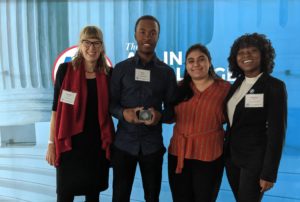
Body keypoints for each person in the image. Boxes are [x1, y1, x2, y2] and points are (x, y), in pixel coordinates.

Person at [109, 15, 177, 202]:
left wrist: (159, 116)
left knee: (152, 198)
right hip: (123, 146)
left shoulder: (167, 72)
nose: (147, 36)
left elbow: (172, 110)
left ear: (158, 36)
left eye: (152, 32)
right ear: (135, 35)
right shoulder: (121, 69)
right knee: (119, 198)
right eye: (143, 32)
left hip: (152, 147)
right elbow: (110, 104)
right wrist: (124, 113)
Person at [45, 25, 114, 202]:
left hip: (96, 146)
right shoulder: (65, 71)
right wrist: (51, 143)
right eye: (87, 42)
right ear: (80, 44)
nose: (92, 47)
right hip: (69, 144)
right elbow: (55, 111)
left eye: (96, 42)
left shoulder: (108, 74)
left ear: (102, 46)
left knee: (93, 196)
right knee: (65, 196)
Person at [224, 33, 287, 202]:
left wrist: (269, 173)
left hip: (255, 163)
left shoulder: (274, 87)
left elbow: (277, 133)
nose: (246, 56)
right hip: (232, 159)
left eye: (253, 51)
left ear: (263, 55)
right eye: (241, 52)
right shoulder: (237, 84)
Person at [167, 44, 230, 202]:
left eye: (201, 59)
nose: (196, 64)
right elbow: (169, 117)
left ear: (209, 62)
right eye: (190, 61)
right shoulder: (179, 88)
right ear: (186, 65)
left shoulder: (225, 89)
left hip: (210, 154)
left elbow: (234, 120)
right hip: (178, 153)